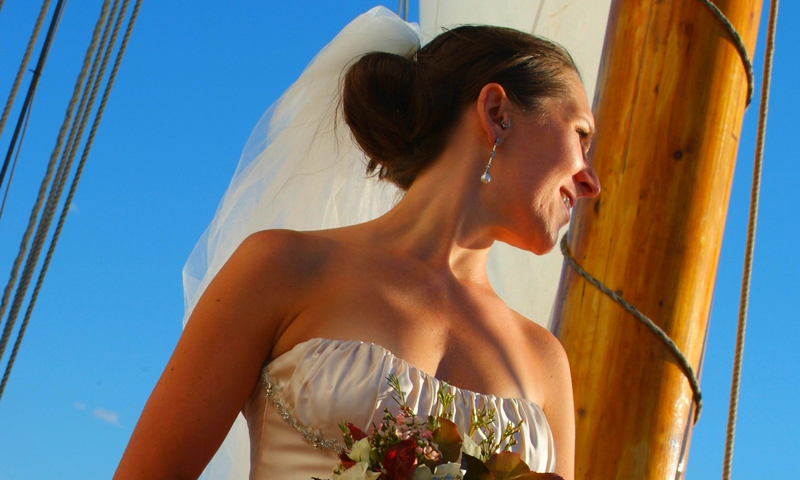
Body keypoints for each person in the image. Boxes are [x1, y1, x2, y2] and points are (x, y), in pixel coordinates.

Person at [112, 7, 599, 480]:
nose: (591, 181)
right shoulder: (283, 268)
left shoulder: (546, 361)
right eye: (581, 135)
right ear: (497, 114)